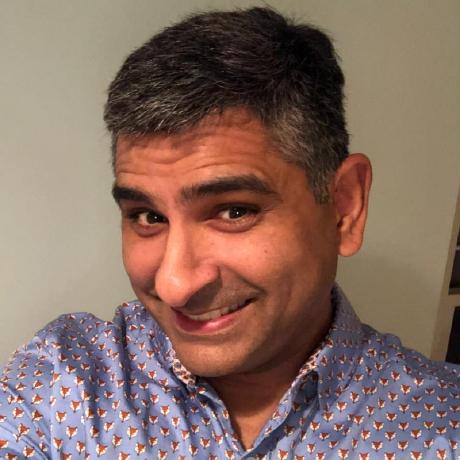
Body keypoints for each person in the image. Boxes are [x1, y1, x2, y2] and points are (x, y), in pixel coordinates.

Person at [0, 6, 458, 459]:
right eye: (148, 217)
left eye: (234, 211)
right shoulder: (63, 381)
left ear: (345, 208)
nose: (174, 285)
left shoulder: (442, 428)